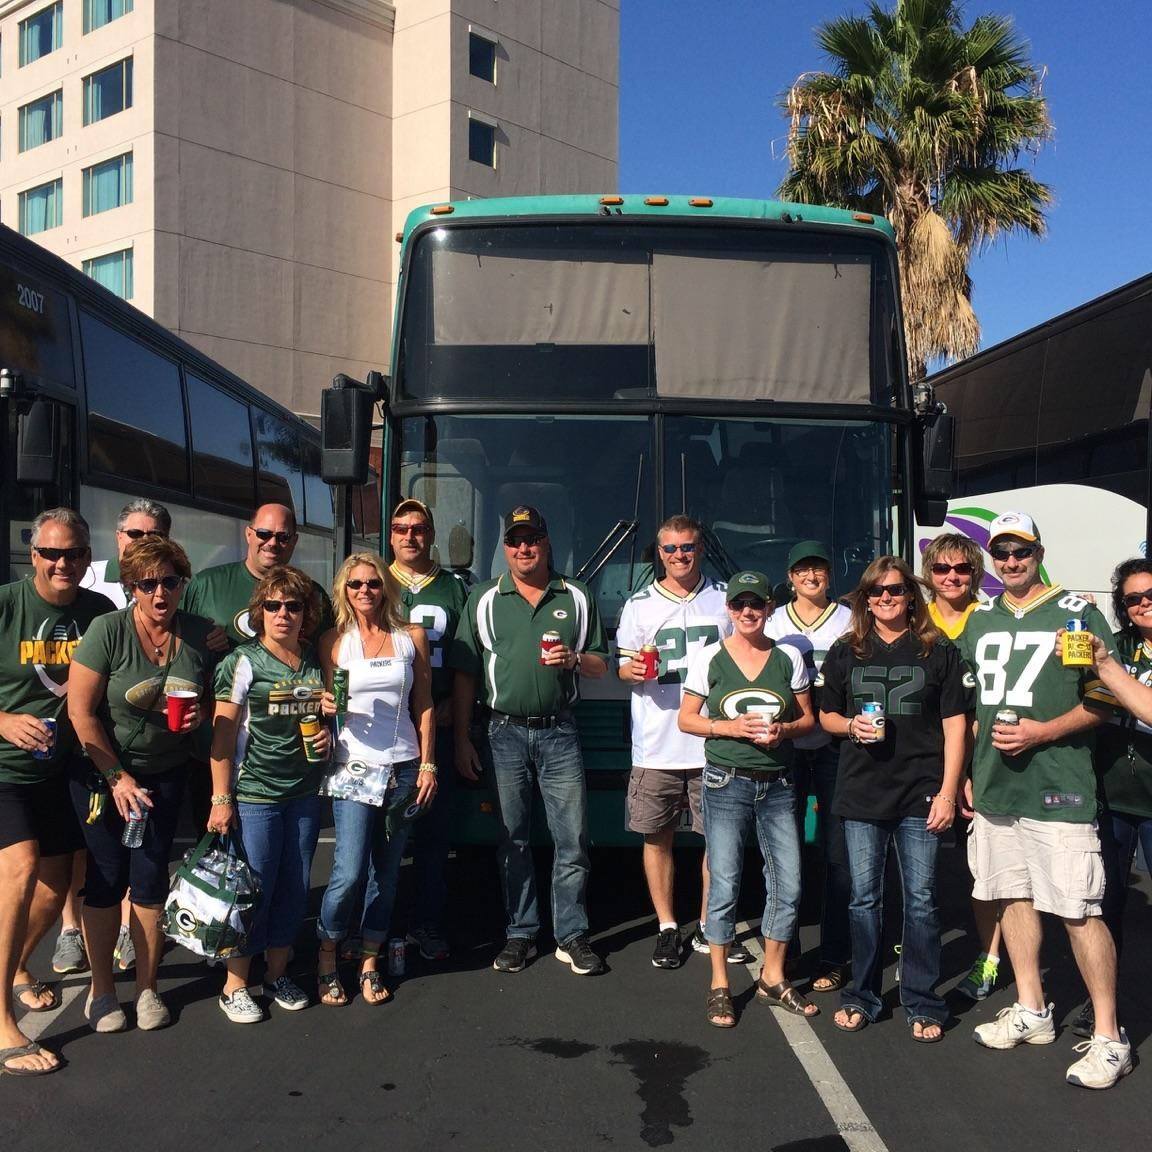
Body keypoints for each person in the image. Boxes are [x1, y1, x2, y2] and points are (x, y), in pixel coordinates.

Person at [957, 511, 1131, 1089]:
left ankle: (1110, 1035)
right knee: (1010, 894)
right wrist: (969, 772)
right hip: (995, 786)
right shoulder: (979, 621)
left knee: (1078, 909)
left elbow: (1105, 703)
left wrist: (1043, 731)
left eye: (1021, 551)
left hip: (1059, 786)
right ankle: (1032, 1008)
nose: (1011, 561)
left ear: (1039, 552)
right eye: (1001, 552)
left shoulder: (1077, 614)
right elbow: (970, 709)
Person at [451, 506, 609, 977]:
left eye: (533, 539)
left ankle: (572, 935)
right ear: (505, 548)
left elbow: (603, 663)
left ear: (546, 543)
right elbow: (464, 674)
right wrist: (461, 738)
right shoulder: (482, 598)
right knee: (512, 839)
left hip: (560, 731)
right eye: (516, 541)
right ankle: (520, 933)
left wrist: (575, 658)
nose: (525, 548)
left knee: (572, 839)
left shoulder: (576, 596)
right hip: (502, 734)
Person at [68, 537, 214, 1033]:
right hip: (103, 774)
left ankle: (148, 990)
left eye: (169, 581)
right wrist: (117, 778)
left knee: (150, 880)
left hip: (165, 774)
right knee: (107, 881)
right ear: (131, 587)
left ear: (181, 584)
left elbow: (220, 707)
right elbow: (80, 714)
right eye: (147, 583)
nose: (159, 593)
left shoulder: (198, 635)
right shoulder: (107, 631)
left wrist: (200, 720)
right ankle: (103, 992)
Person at [819, 557, 968, 1042]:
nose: (886, 599)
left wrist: (948, 791)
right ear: (864, 599)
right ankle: (862, 994)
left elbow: (955, 725)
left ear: (911, 596)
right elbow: (825, 717)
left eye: (896, 591)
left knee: (921, 901)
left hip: (921, 791)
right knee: (864, 900)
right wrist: (850, 727)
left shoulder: (936, 649)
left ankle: (922, 999)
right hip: (862, 793)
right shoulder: (847, 650)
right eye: (876, 592)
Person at [0, 509, 115, 1076]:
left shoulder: (100, 613)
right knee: (20, 871)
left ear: (87, 557)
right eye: (50, 553)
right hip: (5, 771)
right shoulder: (6, 604)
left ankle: (16, 966)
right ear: (34, 556)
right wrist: (1, 720)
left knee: (51, 893)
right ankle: (1, 1023)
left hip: (65, 772)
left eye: (72, 553)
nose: (61, 562)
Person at [679, 571, 818, 1028]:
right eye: (739, 605)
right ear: (729, 610)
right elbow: (687, 719)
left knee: (790, 883)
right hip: (725, 780)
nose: (747, 612)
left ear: (769, 608)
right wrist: (729, 727)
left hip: (777, 783)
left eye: (755, 604)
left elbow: (808, 720)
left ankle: (772, 977)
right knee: (725, 882)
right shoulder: (710, 659)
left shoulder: (788, 658)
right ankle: (720, 983)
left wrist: (785, 730)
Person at [56, 498, 174, 981]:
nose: (140, 546)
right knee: (85, 853)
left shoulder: (175, 600)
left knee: (140, 862)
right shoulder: (92, 588)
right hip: (83, 748)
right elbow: (81, 704)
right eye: (132, 536)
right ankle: (70, 930)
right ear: (117, 538)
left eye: (152, 537)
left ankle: (130, 930)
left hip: (151, 757)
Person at [616, 514, 740, 970]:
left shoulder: (724, 600)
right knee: (658, 836)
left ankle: (709, 925)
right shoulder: (639, 605)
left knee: (718, 840)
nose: (679, 556)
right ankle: (668, 926)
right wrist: (634, 671)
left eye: (687, 547)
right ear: (659, 553)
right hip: (656, 743)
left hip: (713, 741)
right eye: (670, 549)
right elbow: (623, 668)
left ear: (700, 548)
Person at [207, 566, 329, 1023]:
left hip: (303, 792)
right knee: (253, 888)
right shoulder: (243, 661)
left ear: (306, 614)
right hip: (255, 793)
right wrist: (221, 799)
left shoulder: (316, 661)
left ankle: (275, 975)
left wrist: (328, 741)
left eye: (293, 606)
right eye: (273, 606)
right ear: (259, 612)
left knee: (295, 886)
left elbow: (327, 722)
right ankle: (234, 984)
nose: (283, 615)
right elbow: (221, 737)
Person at [314, 552, 436, 1006]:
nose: (364, 591)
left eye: (372, 583)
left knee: (385, 874)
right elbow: (324, 705)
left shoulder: (411, 637)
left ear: (387, 587)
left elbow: (423, 704)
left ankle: (368, 962)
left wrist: (428, 764)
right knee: (346, 872)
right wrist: (325, 709)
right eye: (355, 585)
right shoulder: (333, 641)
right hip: (352, 768)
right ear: (344, 591)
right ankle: (327, 955)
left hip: (403, 767)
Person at [182, 504, 333, 829]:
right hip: (217, 752)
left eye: (282, 536)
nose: (272, 542)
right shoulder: (207, 584)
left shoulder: (313, 594)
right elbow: (178, 648)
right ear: (248, 534)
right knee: (223, 864)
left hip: (295, 766)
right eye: (264, 534)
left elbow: (328, 662)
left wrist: (329, 729)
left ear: (294, 541)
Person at [764, 540, 852, 993]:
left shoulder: (850, 618)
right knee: (787, 849)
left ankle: (835, 953)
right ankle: (788, 945)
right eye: (802, 570)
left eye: (818, 568)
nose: (811, 577)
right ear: (791, 576)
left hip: (836, 745)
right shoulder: (775, 620)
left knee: (838, 853)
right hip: (789, 745)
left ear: (829, 574)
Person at [921, 531, 1002, 1002]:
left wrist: (968, 771)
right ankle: (918, 947)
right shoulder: (914, 619)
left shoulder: (990, 621)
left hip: (979, 763)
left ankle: (988, 958)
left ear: (976, 573)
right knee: (920, 869)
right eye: (941, 569)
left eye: (962, 569)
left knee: (986, 873)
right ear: (929, 575)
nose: (952, 577)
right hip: (919, 762)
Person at [387, 499, 468, 961]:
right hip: (384, 732)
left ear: (431, 534)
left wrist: (455, 722)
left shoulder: (454, 589)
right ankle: (383, 925)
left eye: (419, 528)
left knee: (434, 838)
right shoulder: (373, 581)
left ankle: (426, 923)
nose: (409, 536)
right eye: (400, 528)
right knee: (386, 838)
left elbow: (462, 667)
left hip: (435, 724)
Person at [1075, 558, 1152, 1038]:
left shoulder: (1111, 657)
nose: (1145, 605)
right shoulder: (1116, 646)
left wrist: (1108, 669)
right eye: (1134, 599)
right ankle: (1103, 1005)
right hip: (1111, 798)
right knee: (1106, 907)